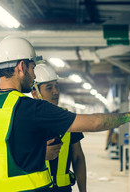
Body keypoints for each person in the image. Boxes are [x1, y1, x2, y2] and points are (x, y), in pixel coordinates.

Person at [0, 36, 130, 192]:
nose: (34, 76)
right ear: (21, 67)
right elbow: (95, 123)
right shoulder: (31, 108)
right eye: (32, 68)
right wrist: (129, 116)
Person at [31, 63, 87, 192]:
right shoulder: (26, 120)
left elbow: (78, 157)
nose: (55, 92)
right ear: (35, 93)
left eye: (57, 86)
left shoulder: (69, 119)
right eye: (49, 88)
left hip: (64, 189)